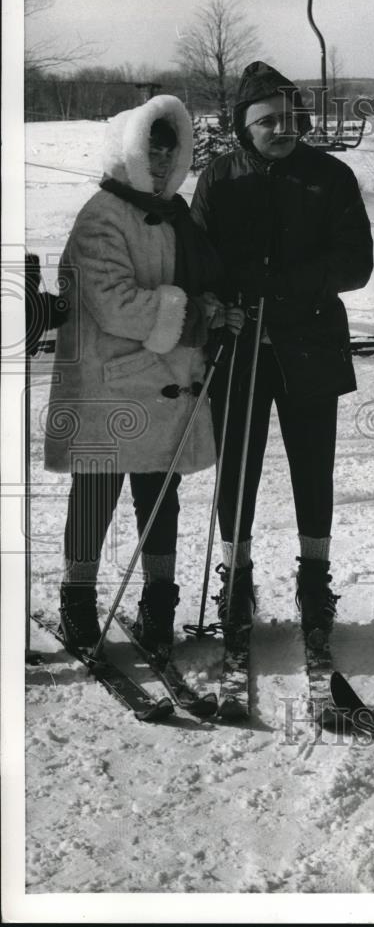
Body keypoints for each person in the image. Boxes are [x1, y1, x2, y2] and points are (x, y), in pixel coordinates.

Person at [44, 95, 242, 657]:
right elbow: (112, 302)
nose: (161, 158)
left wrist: (215, 309)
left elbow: (200, 282)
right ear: (129, 148)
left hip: (165, 383)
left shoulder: (177, 215)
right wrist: (194, 314)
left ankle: (159, 600)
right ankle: (78, 598)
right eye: (151, 145)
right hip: (109, 385)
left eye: (170, 147)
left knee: (160, 493)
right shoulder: (101, 215)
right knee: (96, 494)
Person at [190, 61, 373, 645]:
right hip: (239, 350)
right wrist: (220, 301)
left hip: (311, 347)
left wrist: (285, 286)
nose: (282, 128)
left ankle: (314, 581)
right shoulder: (220, 177)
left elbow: (356, 264)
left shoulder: (331, 177)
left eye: (291, 117)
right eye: (267, 120)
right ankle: (237, 580)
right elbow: (196, 260)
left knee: (312, 471)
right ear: (245, 127)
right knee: (236, 471)